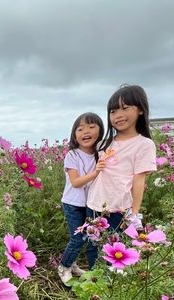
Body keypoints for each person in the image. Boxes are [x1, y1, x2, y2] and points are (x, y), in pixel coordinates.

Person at [86, 84, 157, 232]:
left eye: (125, 108)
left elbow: (139, 180)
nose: (118, 115)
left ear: (141, 110)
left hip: (119, 209)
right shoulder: (103, 144)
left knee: (113, 247)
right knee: (93, 247)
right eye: (113, 111)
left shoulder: (144, 144)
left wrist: (135, 213)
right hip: (94, 203)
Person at [58, 112, 106, 284]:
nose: (86, 131)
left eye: (92, 127)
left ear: (100, 132)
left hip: (91, 203)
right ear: (74, 135)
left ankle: (75, 265)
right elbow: (76, 182)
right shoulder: (73, 155)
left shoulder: (100, 154)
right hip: (72, 203)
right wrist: (97, 171)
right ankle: (64, 266)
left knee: (90, 237)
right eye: (80, 129)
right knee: (78, 238)